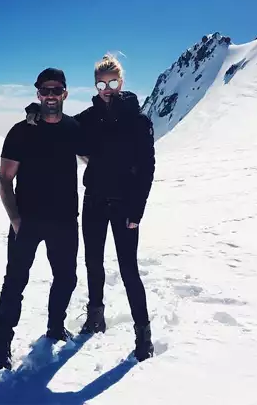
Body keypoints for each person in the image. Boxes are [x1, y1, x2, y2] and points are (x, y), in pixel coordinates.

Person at [25, 54, 155, 362]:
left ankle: (143, 334)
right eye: (101, 84)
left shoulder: (138, 121)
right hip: (94, 201)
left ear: (121, 82)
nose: (106, 89)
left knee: (129, 269)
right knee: (93, 263)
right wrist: (37, 111)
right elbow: (61, 125)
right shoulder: (89, 118)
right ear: (95, 86)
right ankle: (95, 317)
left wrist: (137, 211)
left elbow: (147, 168)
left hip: (125, 207)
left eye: (112, 82)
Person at [0, 68, 87, 376]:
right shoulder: (21, 132)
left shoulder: (74, 128)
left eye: (56, 90)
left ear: (65, 93)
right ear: (38, 94)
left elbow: (94, 157)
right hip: (27, 221)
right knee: (14, 283)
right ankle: (1, 348)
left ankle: (55, 326)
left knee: (66, 278)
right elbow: (5, 180)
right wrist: (16, 220)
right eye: (45, 90)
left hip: (65, 220)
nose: (51, 95)